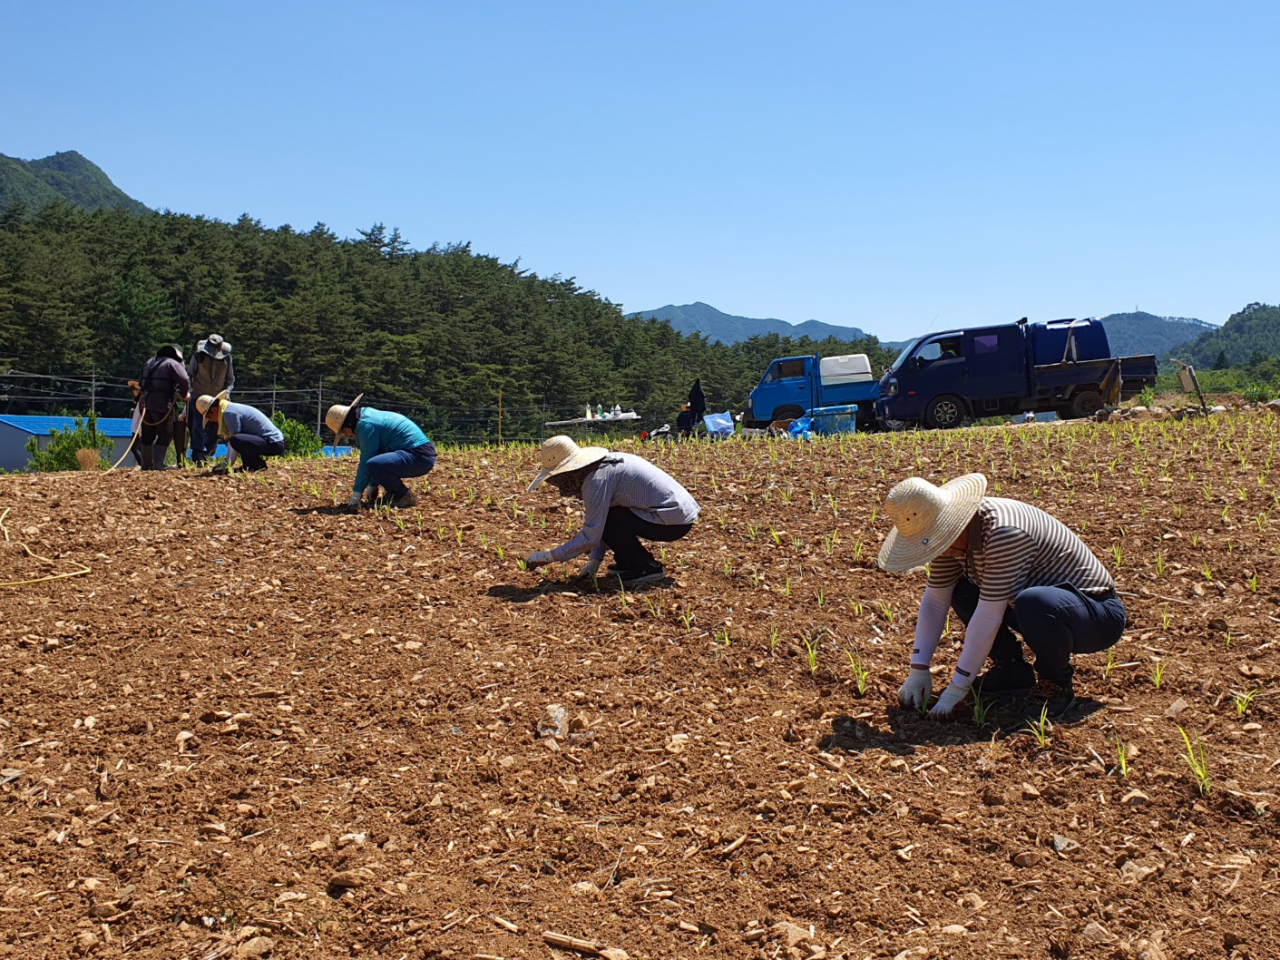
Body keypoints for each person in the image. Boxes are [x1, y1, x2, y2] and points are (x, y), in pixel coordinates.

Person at [878, 473, 1124, 721]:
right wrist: (918, 668)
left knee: (1035, 602)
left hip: (1094, 615)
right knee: (959, 587)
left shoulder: (1003, 532)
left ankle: (1056, 684)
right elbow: (935, 600)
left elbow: (988, 614)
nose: (936, 550)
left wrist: (958, 687)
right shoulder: (951, 540)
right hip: (1036, 609)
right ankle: (1011, 671)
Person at [524, 435, 699, 586]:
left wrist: (550, 556)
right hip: (678, 514)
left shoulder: (596, 481)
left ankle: (644, 567)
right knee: (612, 516)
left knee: (613, 519)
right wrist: (595, 560)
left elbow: (592, 534)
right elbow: (601, 522)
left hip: (672, 521)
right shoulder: (606, 465)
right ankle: (627, 562)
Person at [325, 394, 437, 509]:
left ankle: (402, 495)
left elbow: (367, 460)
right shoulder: (367, 416)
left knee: (373, 464)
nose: (347, 436)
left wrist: (356, 495)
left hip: (419, 456)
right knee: (375, 464)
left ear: (347, 424)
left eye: (343, 432)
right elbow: (378, 456)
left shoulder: (366, 426)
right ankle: (394, 494)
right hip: (421, 454)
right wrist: (372, 486)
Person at [196, 390, 286, 473]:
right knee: (239, 440)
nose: (212, 420)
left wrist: (226, 465)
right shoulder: (229, 409)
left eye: (210, 417)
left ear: (214, 410)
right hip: (271, 441)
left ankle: (254, 465)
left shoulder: (229, 413)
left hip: (273, 443)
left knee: (237, 440)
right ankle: (252, 465)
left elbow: (234, 441)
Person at [137, 345, 190, 470]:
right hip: (163, 404)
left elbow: (140, 382)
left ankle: (146, 465)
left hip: (146, 404)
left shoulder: (149, 362)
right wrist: (183, 394)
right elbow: (184, 379)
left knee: (147, 435)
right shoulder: (172, 364)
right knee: (165, 434)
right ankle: (158, 464)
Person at [187, 334, 235, 467]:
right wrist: (189, 392)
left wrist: (226, 393)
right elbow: (189, 375)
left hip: (217, 398)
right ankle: (197, 454)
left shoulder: (227, 358)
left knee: (214, 426)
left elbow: (230, 379)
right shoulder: (198, 356)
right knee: (197, 425)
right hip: (198, 396)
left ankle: (208, 454)